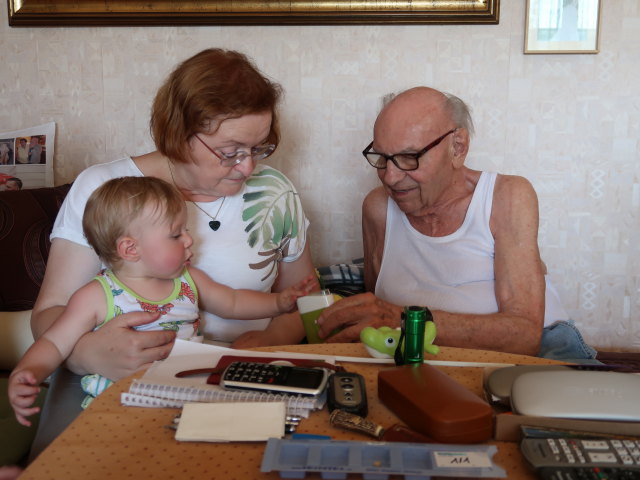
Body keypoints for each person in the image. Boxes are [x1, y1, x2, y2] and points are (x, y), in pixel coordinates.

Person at [29, 48, 318, 457]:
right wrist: (86, 354)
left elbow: (305, 300)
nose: (248, 167)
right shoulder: (106, 187)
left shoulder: (274, 194)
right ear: (180, 133)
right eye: (230, 150)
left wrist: (267, 342)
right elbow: (50, 313)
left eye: (259, 147)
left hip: (231, 383)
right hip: (110, 386)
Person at [317, 86, 597, 361]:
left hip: (539, 353)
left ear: (457, 147)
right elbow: (376, 311)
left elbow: (524, 337)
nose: (390, 177)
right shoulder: (378, 208)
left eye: (409, 157)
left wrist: (402, 319)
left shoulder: (507, 196)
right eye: (382, 157)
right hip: (423, 356)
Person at [9, 176, 314, 427]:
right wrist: (28, 373)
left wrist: (280, 303)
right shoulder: (97, 294)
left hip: (186, 396)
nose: (189, 239)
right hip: (119, 405)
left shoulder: (187, 279)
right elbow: (55, 343)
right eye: (175, 234)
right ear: (130, 249)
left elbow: (233, 302)